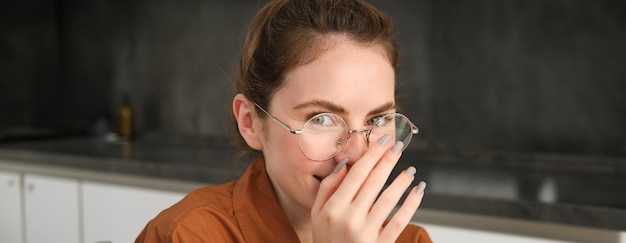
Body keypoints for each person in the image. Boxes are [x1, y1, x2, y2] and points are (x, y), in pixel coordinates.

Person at [136, 0, 431, 242]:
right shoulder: (185, 235)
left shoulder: (410, 240)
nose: (355, 154)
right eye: (322, 119)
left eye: (378, 119)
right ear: (251, 122)